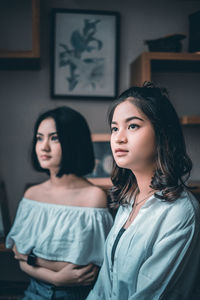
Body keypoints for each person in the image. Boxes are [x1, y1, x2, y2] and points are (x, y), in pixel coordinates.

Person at [86, 82, 200, 300]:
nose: (119, 138)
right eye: (114, 128)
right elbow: (102, 287)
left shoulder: (180, 213)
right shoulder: (129, 198)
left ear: (162, 133)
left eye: (133, 126)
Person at [6, 106, 113, 300]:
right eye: (39, 138)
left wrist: (32, 258)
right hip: (33, 292)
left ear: (74, 142)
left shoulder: (93, 197)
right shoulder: (32, 195)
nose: (43, 147)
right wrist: (57, 277)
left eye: (54, 138)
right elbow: (17, 256)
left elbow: (85, 270)